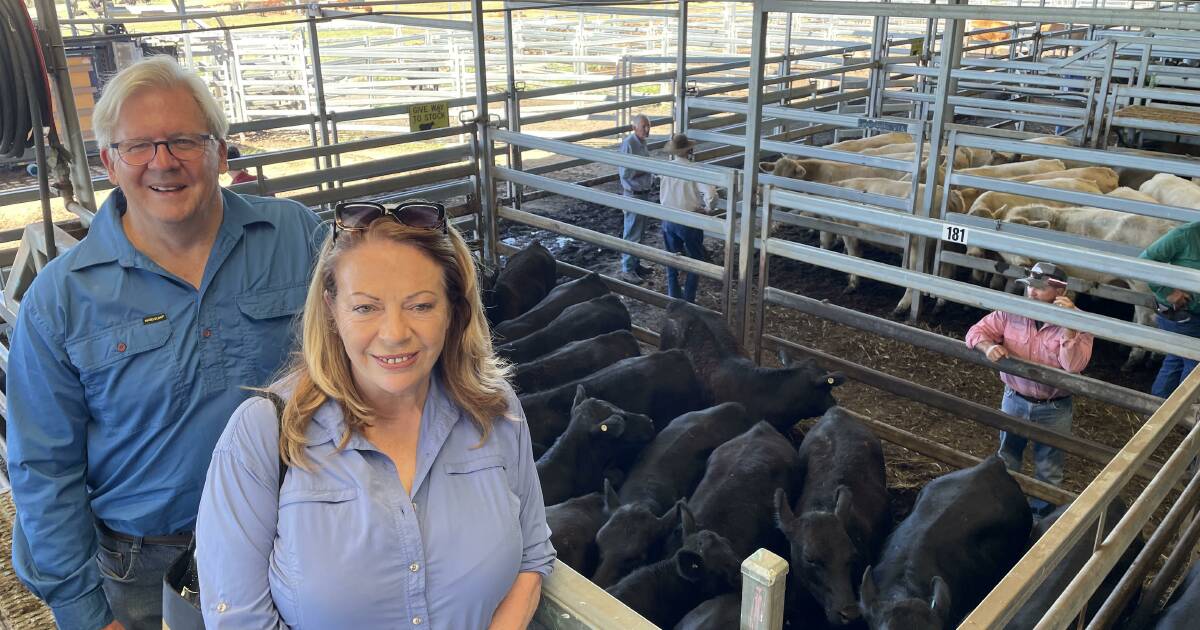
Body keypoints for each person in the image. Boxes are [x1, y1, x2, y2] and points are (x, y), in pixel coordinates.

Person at [6, 56, 321, 630]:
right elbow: (44, 468)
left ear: (220, 153)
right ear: (109, 162)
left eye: (183, 141)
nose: (163, 162)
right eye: (139, 146)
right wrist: (82, 610)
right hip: (149, 561)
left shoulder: (297, 237)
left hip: (298, 527)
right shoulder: (61, 299)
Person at [196, 200, 555, 628]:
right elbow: (237, 618)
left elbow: (532, 558)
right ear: (331, 308)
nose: (394, 334)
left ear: (454, 308)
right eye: (365, 307)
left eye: (421, 305)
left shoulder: (495, 411)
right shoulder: (263, 432)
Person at [964, 262, 1093, 514]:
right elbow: (975, 332)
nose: (1031, 293)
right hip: (1014, 397)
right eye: (1029, 287)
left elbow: (1073, 365)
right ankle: (1000, 508)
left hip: (1054, 406)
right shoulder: (1012, 311)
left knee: (1049, 468)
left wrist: (1069, 325)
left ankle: (1039, 518)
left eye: (1039, 289)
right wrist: (988, 346)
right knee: (1007, 457)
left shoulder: (1082, 324)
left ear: (1060, 293)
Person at [1140, 222, 1200, 398]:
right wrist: (1167, 291)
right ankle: (1185, 413)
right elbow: (1145, 261)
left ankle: (1157, 407)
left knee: (1176, 358)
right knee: (1194, 363)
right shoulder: (1185, 234)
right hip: (1182, 312)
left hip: (1192, 313)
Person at [658, 133, 718, 303]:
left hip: (668, 218)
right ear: (689, 149)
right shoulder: (695, 169)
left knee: (671, 259)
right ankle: (689, 300)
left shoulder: (665, 168)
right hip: (689, 219)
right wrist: (708, 208)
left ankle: (674, 299)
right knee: (695, 259)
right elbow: (712, 194)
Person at [616, 113, 655, 284]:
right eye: (643, 126)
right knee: (632, 231)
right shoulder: (629, 144)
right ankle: (627, 269)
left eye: (648, 126)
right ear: (634, 128)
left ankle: (635, 264)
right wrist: (646, 169)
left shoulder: (641, 143)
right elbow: (626, 172)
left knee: (638, 232)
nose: (647, 130)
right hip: (634, 193)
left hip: (642, 192)